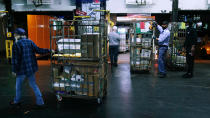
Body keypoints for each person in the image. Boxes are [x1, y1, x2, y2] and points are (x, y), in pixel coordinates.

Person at [10, 28, 52, 108]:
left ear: (18, 35)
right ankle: (40, 102)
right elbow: (39, 50)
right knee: (33, 84)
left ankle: (17, 101)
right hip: (31, 68)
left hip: (21, 70)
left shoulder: (16, 44)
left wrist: (14, 70)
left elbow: (15, 59)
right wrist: (49, 50)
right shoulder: (30, 41)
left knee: (18, 86)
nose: (14, 35)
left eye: (15, 34)